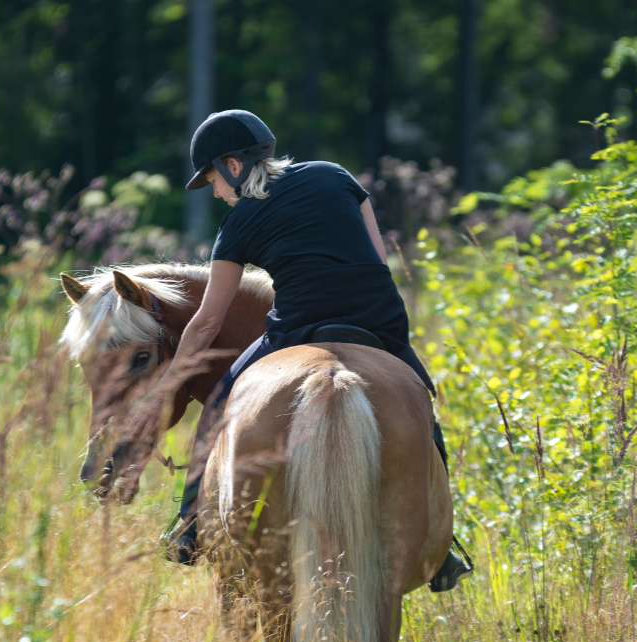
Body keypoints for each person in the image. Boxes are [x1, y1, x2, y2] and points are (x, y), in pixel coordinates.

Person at [158, 109, 472, 591]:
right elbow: (378, 259)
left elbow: (207, 323)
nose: (218, 192)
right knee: (422, 405)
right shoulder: (335, 175)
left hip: (299, 329)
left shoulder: (239, 221)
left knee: (220, 400)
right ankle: (444, 544)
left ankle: (188, 525)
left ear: (233, 167)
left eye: (213, 180)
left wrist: (171, 378)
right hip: (381, 321)